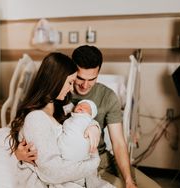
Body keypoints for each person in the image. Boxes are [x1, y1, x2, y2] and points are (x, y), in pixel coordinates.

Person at [15, 46, 161, 188]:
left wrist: (129, 180)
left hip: (103, 158)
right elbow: (36, 129)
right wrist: (17, 153)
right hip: (85, 165)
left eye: (92, 79)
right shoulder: (61, 97)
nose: (85, 85)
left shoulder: (107, 96)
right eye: (78, 79)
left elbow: (118, 142)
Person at [9, 52, 115, 188]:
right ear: (56, 81)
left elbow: (80, 118)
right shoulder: (36, 118)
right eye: (70, 83)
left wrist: (94, 127)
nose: (72, 88)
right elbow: (52, 171)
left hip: (84, 180)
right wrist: (93, 162)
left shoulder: (63, 106)